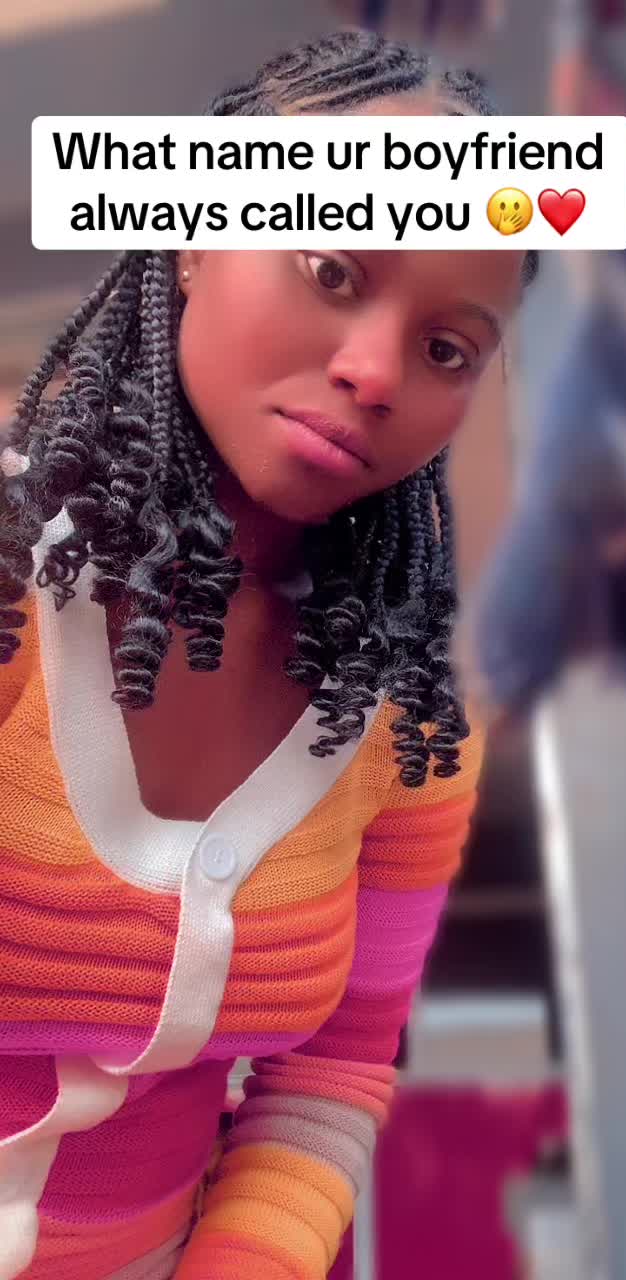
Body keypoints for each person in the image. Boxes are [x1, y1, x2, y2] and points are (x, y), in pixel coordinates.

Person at [0, 29, 536, 1280]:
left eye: (447, 349)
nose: (375, 371)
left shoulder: (404, 719)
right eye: (332, 266)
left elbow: (335, 1067)